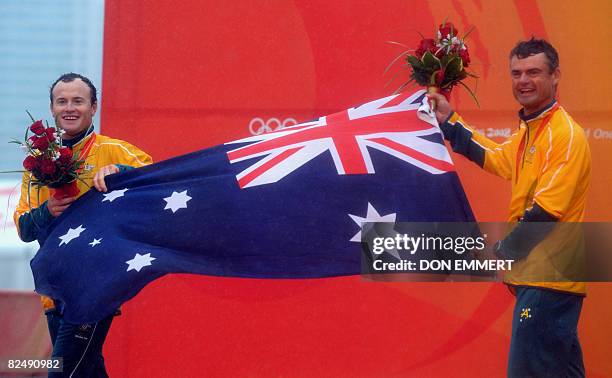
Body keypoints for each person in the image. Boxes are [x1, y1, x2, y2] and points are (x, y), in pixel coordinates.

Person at [429, 38, 591, 377]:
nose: (523, 81)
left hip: (547, 283)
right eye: (516, 73)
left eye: (534, 72)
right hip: (542, 283)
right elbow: (496, 158)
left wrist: (501, 253)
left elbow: (546, 214)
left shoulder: (565, 135)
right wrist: (448, 121)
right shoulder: (531, 130)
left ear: (555, 75)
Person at [13, 73, 152, 377]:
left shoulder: (114, 150)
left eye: (78, 100)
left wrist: (123, 171)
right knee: (87, 371)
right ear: (51, 109)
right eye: (62, 101)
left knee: (62, 372)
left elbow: (159, 182)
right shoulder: (38, 162)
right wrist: (48, 211)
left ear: (94, 107)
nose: (69, 107)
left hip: (95, 284)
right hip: (54, 287)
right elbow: (24, 229)